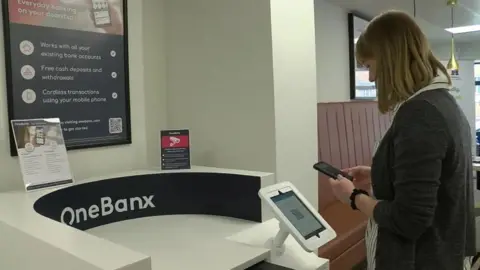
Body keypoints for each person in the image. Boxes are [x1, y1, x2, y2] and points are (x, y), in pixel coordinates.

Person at [327, 10, 476, 270]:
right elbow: (432, 179)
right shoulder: (442, 103)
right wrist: (378, 174)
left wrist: (354, 197)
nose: (371, 78)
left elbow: (409, 219)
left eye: (370, 66)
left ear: (389, 60)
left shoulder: (420, 115)